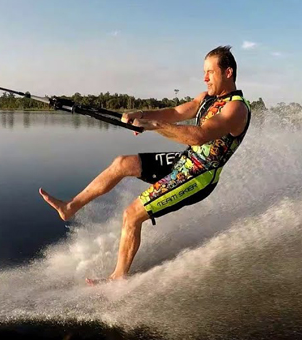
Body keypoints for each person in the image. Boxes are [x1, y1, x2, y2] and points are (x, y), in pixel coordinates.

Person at [39, 45, 251, 281]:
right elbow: (174, 112)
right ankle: (70, 207)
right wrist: (142, 115)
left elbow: (199, 135)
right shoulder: (206, 99)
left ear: (228, 72)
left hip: (201, 175)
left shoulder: (236, 108)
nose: (204, 78)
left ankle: (117, 279)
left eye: (210, 72)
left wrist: (153, 127)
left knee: (131, 214)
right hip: (186, 161)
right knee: (122, 163)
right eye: (204, 72)